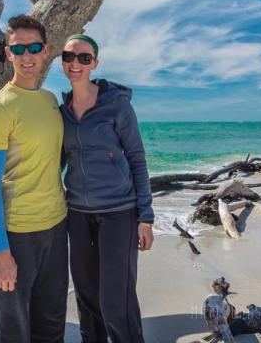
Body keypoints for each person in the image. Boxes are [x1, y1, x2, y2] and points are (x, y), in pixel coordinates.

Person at [0, 14, 68, 343]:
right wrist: (1, 253)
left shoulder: (49, 101)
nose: (27, 56)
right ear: (8, 52)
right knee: (12, 330)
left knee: (52, 322)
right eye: (19, 48)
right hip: (16, 236)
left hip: (56, 229)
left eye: (34, 47)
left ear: (45, 51)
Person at [59, 33, 154, 343]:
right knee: (87, 299)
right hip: (77, 215)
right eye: (70, 57)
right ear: (62, 62)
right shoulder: (61, 113)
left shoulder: (116, 106)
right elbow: (55, 161)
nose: (76, 63)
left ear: (94, 63)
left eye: (84, 58)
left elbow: (137, 160)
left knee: (116, 301)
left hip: (119, 213)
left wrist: (146, 217)